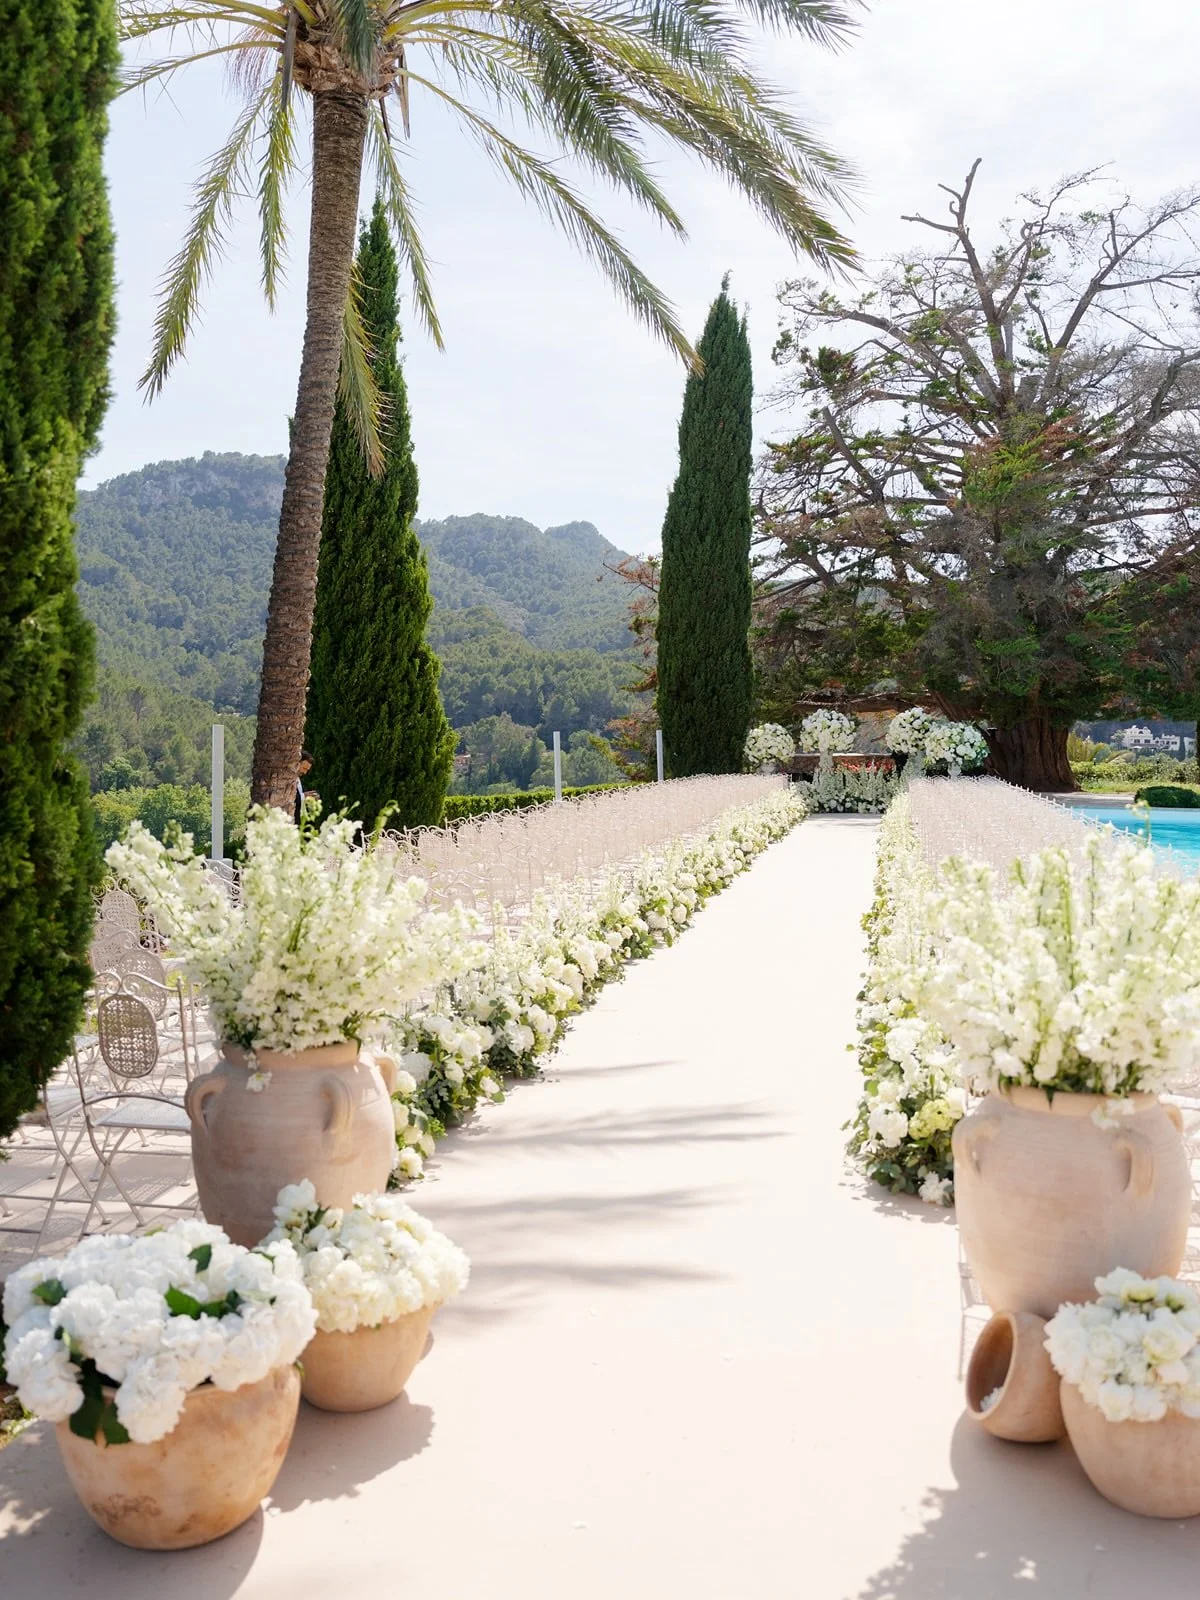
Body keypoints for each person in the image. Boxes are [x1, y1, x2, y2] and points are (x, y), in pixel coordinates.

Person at [295, 749, 314, 826]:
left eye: (307, 770)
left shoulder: (298, 779)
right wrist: (304, 796)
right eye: (304, 768)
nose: (305, 772)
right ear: (297, 763)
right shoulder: (286, 780)